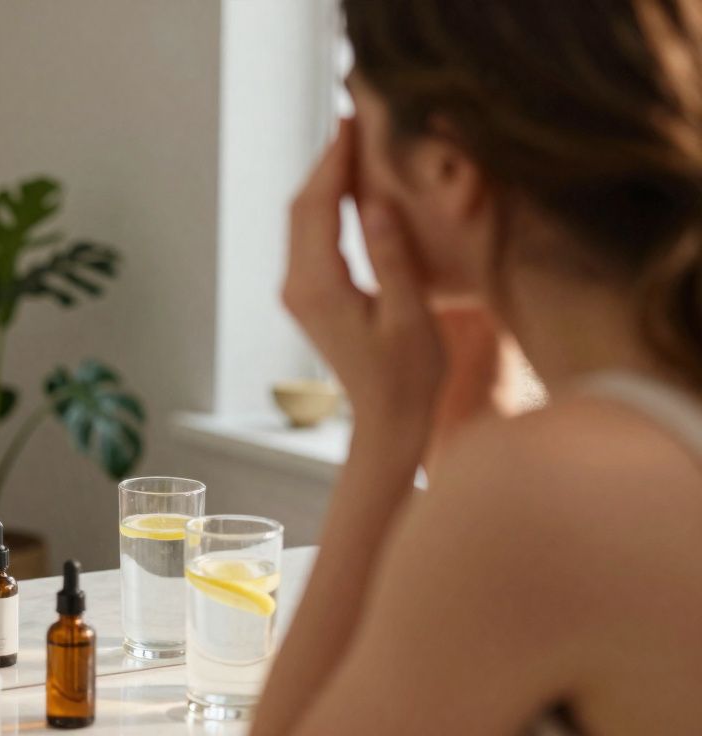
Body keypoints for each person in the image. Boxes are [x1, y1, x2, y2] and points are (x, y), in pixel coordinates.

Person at [254, 1, 702, 733]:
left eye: (351, 117)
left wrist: (387, 429)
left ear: (447, 167)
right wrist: (468, 391)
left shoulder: (549, 490)